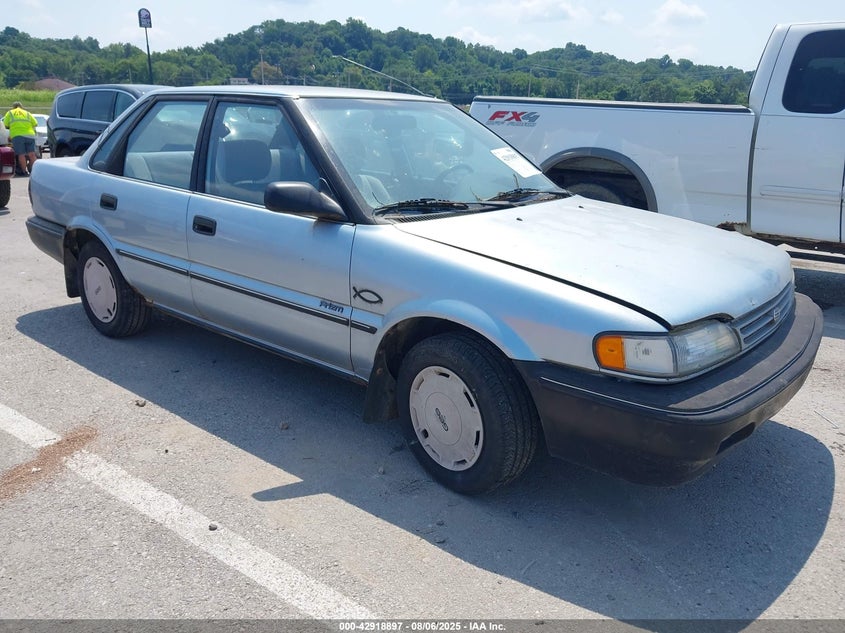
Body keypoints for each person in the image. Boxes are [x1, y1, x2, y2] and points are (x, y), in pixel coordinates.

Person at [3, 101, 39, 176]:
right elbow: (35, 123)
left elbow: (5, 125)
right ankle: (35, 172)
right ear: (21, 107)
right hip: (30, 135)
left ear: (13, 107)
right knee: (32, 154)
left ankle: (24, 172)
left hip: (17, 135)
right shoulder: (27, 113)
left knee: (21, 154)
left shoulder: (10, 113)